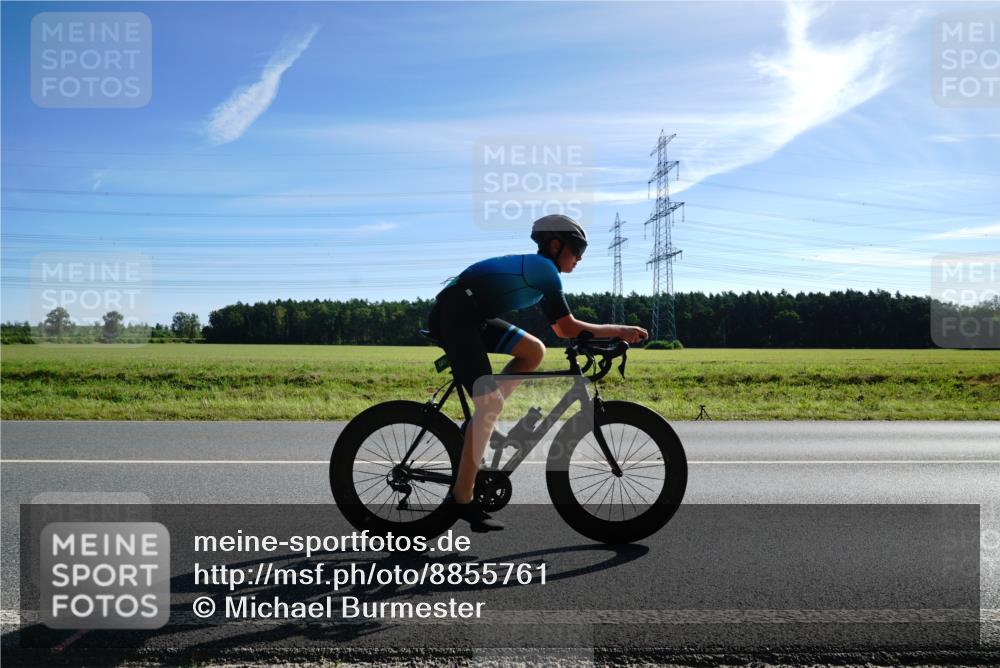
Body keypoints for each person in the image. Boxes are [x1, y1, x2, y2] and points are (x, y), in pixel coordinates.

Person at [426, 214, 648, 532]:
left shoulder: (541, 274)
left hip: (468, 314)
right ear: (556, 246)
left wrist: (603, 336)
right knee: (490, 405)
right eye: (577, 250)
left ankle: (481, 421)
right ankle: (462, 499)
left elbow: (560, 330)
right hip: (455, 314)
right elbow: (568, 328)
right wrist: (620, 331)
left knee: (534, 351)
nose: (580, 258)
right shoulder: (544, 270)